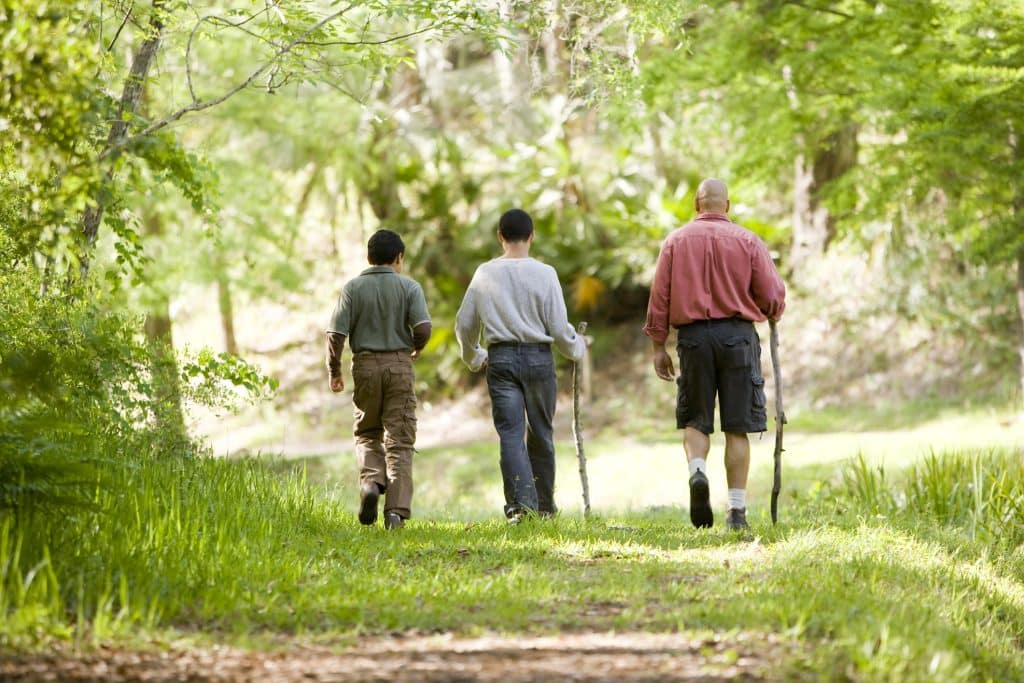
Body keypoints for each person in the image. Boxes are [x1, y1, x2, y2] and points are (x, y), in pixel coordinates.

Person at [644, 179, 786, 531]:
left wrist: (658, 345)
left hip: (693, 340)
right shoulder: (748, 240)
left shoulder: (675, 241)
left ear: (696, 204)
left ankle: (697, 472)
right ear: (728, 205)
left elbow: (659, 298)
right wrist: (774, 308)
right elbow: (771, 296)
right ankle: (736, 512)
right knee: (737, 427)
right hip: (737, 338)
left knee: (695, 419)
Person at [455, 208, 586, 524]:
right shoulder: (545, 273)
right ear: (532, 236)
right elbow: (558, 326)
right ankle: (544, 507)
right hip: (539, 359)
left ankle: (519, 508)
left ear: (500, 236)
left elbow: (464, 324)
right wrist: (576, 349)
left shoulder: (485, 273)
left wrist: (474, 357)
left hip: (500, 360)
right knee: (541, 432)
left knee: (511, 434)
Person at [326, 229, 432, 530]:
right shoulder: (409, 287)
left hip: (365, 367)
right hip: (399, 365)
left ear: (368, 257)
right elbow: (423, 328)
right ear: (399, 258)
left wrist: (334, 371)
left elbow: (335, 335)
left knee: (367, 432)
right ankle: (395, 512)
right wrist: (416, 346)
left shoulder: (352, 289)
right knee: (399, 439)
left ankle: (371, 482)